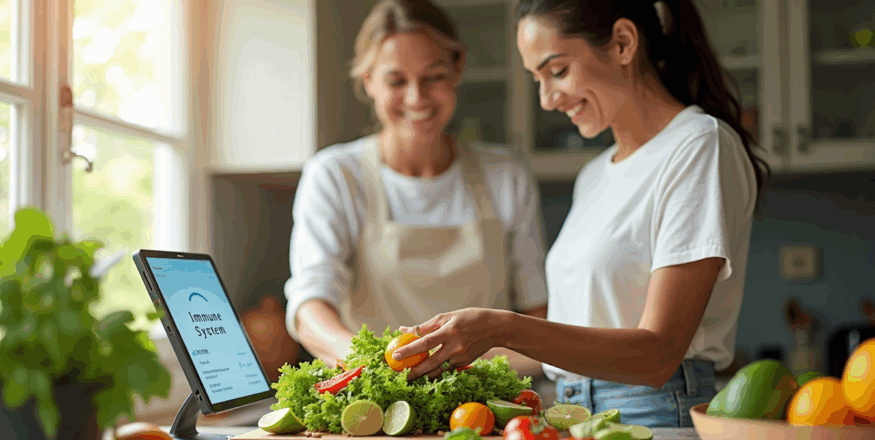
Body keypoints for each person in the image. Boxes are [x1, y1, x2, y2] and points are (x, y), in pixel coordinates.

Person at [390, 0, 771, 428]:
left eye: (557, 71)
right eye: (537, 79)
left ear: (623, 43)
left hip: (654, 414)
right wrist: (446, 351)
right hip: (570, 414)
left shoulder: (699, 146)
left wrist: (500, 326)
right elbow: (576, 337)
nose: (548, 99)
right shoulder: (594, 175)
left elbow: (658, 354)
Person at [284, 0, 549, 377]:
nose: (416, 97)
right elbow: (310, 306)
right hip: (379, 416)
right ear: (368, 83)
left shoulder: (504, 175)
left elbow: (537, 314)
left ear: (457, 69)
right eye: (396, 81)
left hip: (482, 402)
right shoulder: (336, 175)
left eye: (433, 76)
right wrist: (373, 366)